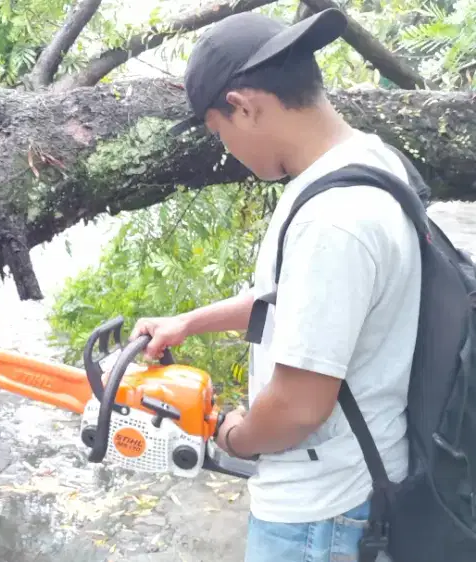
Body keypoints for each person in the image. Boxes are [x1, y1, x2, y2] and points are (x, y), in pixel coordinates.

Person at [130, 8, 419, 562]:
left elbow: (297, 408)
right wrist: (189, 322)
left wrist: (232, 434)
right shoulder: (369, 162)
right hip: (354, 486)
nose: (228, 150)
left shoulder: (334, 219)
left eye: (220, 133)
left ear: (243, 106)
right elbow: (298, 301)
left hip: (322, 516)